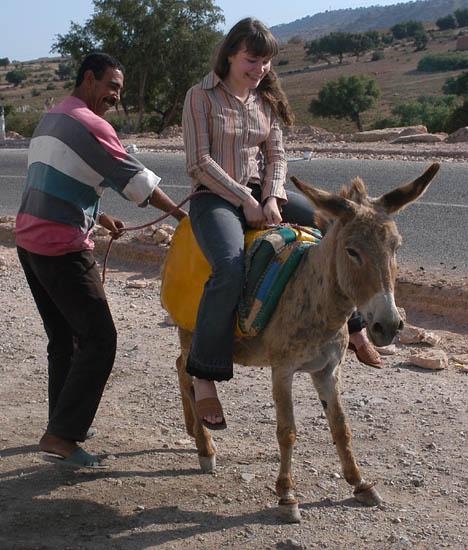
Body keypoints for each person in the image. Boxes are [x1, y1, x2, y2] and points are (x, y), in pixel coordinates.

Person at [182, 18, 381, 430]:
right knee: (229, 268)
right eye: (251, 60)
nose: (259, 69)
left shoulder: (265, 100)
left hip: (262, 194)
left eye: (266, 62)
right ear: (230, 55)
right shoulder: (200, 97)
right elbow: (200, 162)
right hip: (213, 198)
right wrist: (245, 199)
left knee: (336, 231)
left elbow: (277, 156)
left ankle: (355, 326)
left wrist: (272, 197)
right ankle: (203, 375)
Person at [15, 52, 187, 468]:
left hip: (29, 241)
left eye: (120, 90)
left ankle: (61, 423)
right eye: (111, 86)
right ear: (88, 78)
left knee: (65, 339)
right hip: (60, 247)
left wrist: (98, 214)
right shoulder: (92, 124)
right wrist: (183, 216)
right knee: (100, 338)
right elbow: (138, 181)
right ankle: (62, 435)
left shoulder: (53, 117)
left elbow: (57, 176)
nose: (116, 96)